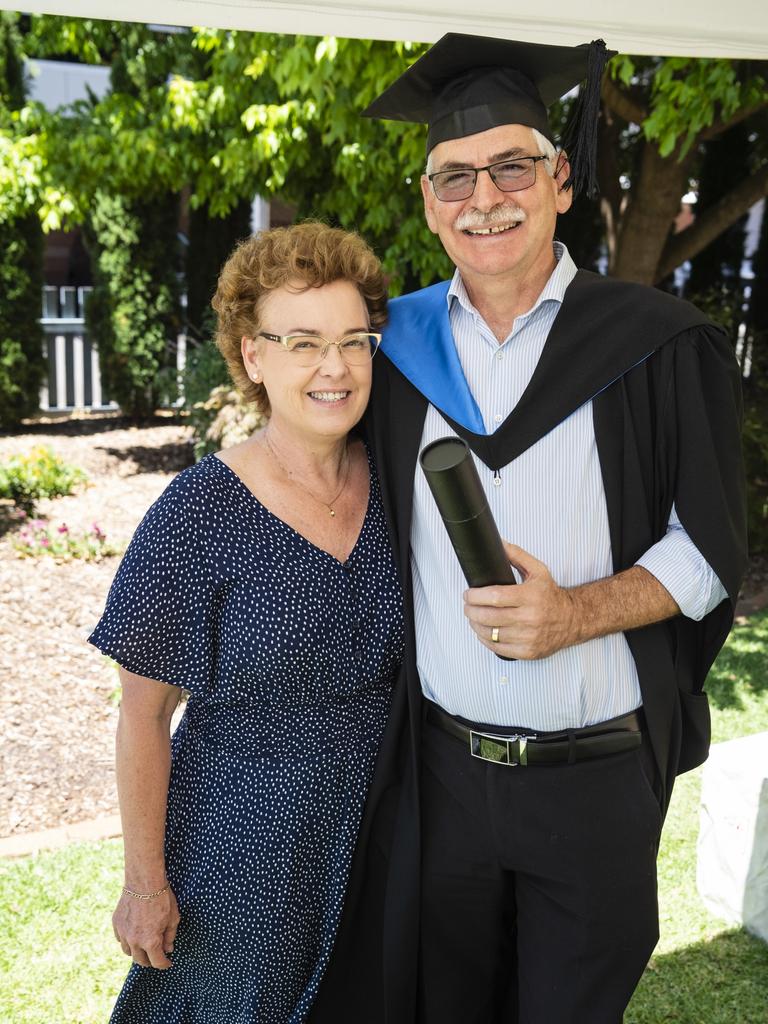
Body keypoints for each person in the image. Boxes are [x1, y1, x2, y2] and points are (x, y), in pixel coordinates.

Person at [309, 34, 747, 1024]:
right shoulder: (392, 352)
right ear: (429, 201)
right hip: (441, 780)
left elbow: (713, 546)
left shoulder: (656, 344)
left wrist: (578, 612)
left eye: (513, 165)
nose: (485, 196)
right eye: (455, 175)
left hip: (591, 781)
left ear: (557, 180)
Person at [88, 221, 404, 1023]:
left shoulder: (399, 483)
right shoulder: (196, 514)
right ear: (253, 355)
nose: (335, 367)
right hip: (241, 856)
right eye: (303, 342)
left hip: (386, 837)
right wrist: (145, 884)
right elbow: (143, 715)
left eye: (354, 341)